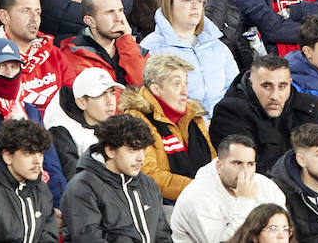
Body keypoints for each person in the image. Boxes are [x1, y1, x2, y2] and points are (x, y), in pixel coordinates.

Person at [0, 36, 66, 206]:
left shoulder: (30, 111)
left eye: (14, 66)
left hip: (39, 203)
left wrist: (58, 205)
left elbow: (51, 164)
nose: (8, 74)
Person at [60, 112, 172, 243]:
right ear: (110, 150)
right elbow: (88, 239)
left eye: (142, 150)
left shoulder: (147, 184)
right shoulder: (82, 187)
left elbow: (162, 236)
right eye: (132, 150)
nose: (140, 158)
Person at [209, 55, 318, 176]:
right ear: (251, 83)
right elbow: (244, 173)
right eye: (266, 86)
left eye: (282, 86)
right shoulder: (229, 112)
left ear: (290, 83)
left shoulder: (310, 107)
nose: (275, 96)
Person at [120, 52, 215, 202]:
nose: (184, 91)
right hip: (161, 204)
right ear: (156, 89)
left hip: (203, 197)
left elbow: (213, 161)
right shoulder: (135, 119)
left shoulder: (193, 116)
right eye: (176, 84)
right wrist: (200, 190)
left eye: (186, 83)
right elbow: (148, 174)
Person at [140, 0, 237, 117]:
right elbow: (155, 102)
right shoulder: (152, 47)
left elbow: (234, 89)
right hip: (184, 126)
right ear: (169, 3)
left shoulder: (217, 45)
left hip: (223, 122)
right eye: (187, 0)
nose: (195, 6)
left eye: (200, 1)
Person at [170, 134, 285, 243]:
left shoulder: (266, 186)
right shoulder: (197, 196)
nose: (245, 171)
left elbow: (284, 231)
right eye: (237, 163)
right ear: (219, 165)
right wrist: (245, 201)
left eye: (250, 164)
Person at [41, 66, 120, 179]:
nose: (110, 101)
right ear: (81, 102)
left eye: (112, 93)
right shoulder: (62, 133)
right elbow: (75, 180)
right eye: (101, 95)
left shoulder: (116, 126)